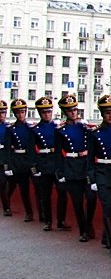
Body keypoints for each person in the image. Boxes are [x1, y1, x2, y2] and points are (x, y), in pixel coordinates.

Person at [87, 94, 111, 258]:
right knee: (107, 205)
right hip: (103, 172)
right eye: (108, 113)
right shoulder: (94, 134)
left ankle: (106, 235)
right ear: (102, 114)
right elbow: (89, 159)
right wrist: (92, 178)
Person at [54, 94, 95, 242]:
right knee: (77, 202)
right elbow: (58, 154)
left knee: (91, 197)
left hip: (85, 165)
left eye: (75, 110)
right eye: (70, 110)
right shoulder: (60, 131)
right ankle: (83, 230)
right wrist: (60, 172)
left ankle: (89, 223)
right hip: (71, 166)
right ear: (65, 112)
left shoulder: (84, 128)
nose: (73, 113)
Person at [31, 96, 67, 231]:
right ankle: (47, 220)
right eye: (44, 112)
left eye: (49, 112)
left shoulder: (58, 128)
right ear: (40, 113)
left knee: (62, 192)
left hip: (57, 163)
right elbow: (32, 150)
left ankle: (61, 220)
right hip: (44, 164)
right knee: (45, 195)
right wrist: (35, 167)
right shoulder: (35, 130)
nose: (47, 114)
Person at [5, 99, 35, 221]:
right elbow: (8, 149)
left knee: (38, 189)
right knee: (23, 189)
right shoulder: (11, 129)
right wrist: (9, 165)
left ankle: (42, 212)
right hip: (18, 160)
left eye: (23, 112)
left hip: (30, 159)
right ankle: (29, 212)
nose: (21, 115)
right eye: (18, 112)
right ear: (14, 113)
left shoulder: (31, 128)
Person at [0, 100, 11, 217]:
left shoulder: (8, 127)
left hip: (6, 157)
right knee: (2, 183)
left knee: (7, 183)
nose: (1, 115)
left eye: (3, 112)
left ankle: (7, 204)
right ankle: (6, 207)